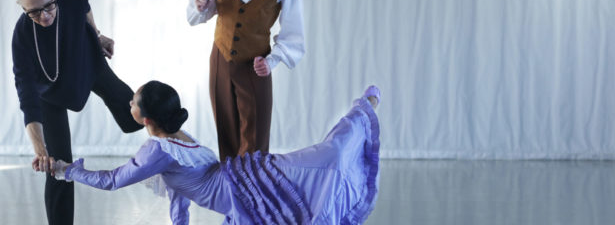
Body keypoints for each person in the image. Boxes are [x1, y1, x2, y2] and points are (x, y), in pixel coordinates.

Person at [47, 81, 380, 224]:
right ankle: (362, 111)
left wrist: (67, 170)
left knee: (326, 160)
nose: (129, 103)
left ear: (145, 118)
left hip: (243, 189)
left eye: (132, 101)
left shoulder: (157, 149)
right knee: (325, 160)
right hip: (247, 181)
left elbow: (113, 180)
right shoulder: (177, 138)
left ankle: (362, 111)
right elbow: (178, 192)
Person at [11, 0, 143, 225]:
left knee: (136, 115)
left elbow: (84, 7)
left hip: (88, 63)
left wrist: (96, 35)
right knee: (57, 165)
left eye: (49, 6)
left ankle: (181, 148)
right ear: (22, 8)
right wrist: (40, 149)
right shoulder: (22, 37)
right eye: (34, 12)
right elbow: (26, 95)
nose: (45, 15)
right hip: (50, 93)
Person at [187, 0, 306, 161]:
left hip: (255, 65)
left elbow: (294, 35)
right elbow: (200, 10)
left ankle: (253, 192)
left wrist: (271, 61)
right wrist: (201, 4)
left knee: (255, 136)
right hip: (219, 58)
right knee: (225, 129)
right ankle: (231, 189)